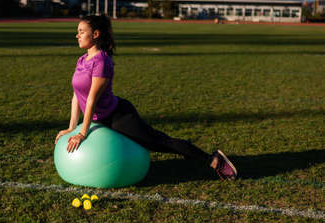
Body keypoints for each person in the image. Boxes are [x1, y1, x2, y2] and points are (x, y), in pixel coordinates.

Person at [54, 14, 237, 181]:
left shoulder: (102, 62)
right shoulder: (81, 60)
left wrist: (83, 132)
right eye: (77, 32)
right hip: (98, 119)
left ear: (95, 34)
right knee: (158, 139)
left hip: (117, 116)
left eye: (81, 32)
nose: (77, 35)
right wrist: (71, 128)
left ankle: (213, 160)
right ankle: (184, 147)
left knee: (159, 143)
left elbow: (92, 99)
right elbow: (76, 96)